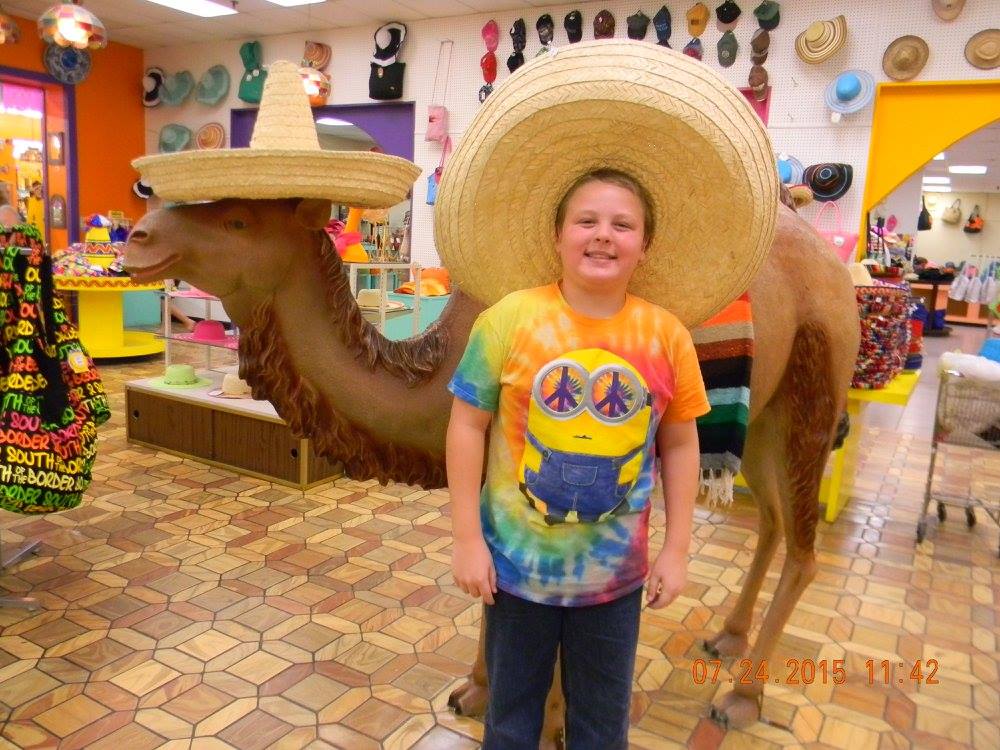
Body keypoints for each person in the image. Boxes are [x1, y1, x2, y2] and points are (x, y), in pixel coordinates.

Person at [446, 168, 711, 749]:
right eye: (586, 221)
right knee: (510, 721)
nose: (603, 235)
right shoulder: (507, 321)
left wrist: (678, 547)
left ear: (645, 245)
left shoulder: (666, 337)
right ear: (558, 234)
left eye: (623, 225)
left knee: (600, 726)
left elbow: (681, 441)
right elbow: (467, 425)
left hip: (614, 584)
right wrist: (467, 537)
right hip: (514, 574)